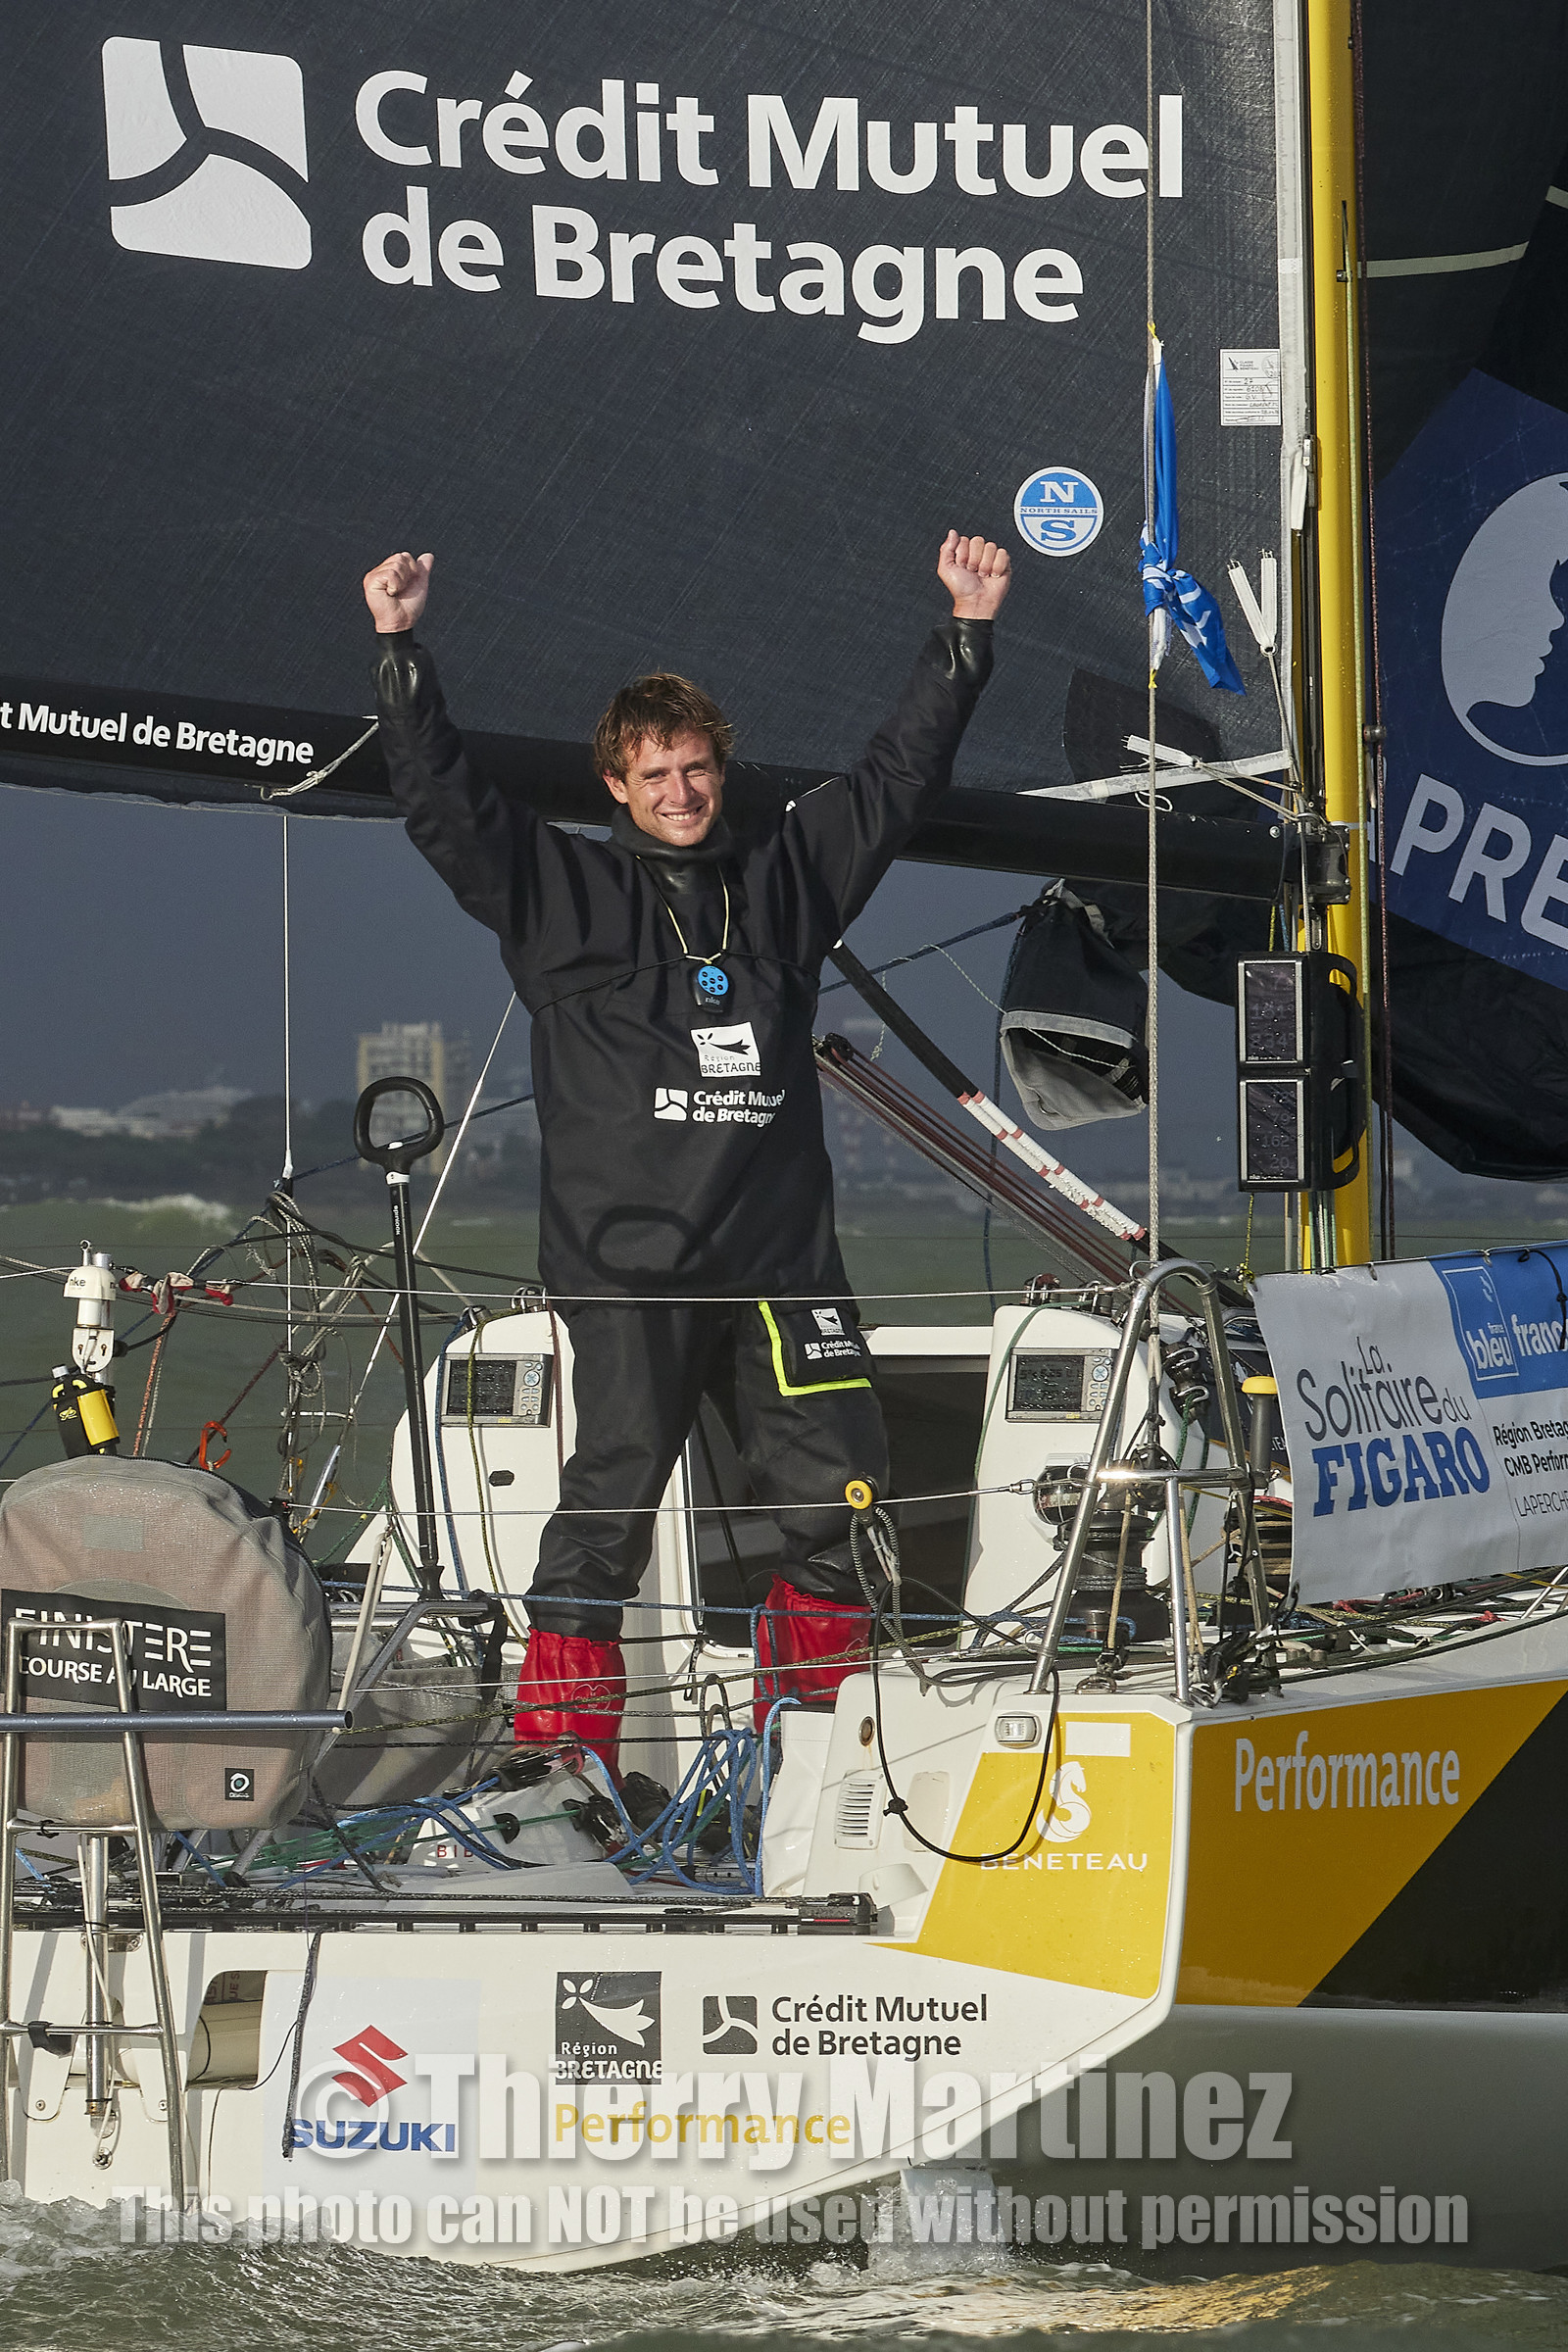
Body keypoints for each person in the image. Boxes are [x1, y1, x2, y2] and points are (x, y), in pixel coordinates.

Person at [364, 533, 1010, 1775]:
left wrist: (964, 637)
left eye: (698, 768)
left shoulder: (783, 886)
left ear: (723, 773)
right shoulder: (559, 898)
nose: (679, 791)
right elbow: (443, 803)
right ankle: (568, 1776)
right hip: (630, 1273)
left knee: (841, 1510)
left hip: (780, 1269)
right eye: (654, 772)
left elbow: (893, 783)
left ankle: (810, 1764)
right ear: (614, 782)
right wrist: (401, 655)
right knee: (602, 1522)